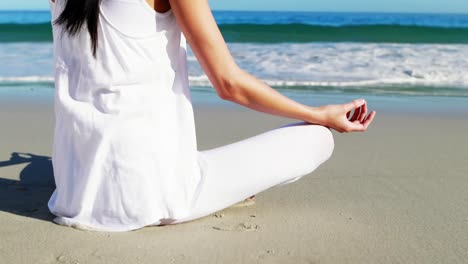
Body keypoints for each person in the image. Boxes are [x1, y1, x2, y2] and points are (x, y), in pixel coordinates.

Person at [47, 0, 376, 232]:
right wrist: (320, 114)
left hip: (74, 192)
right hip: (151, 196)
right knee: (318, 138)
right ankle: (227, 191)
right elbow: (230, 85)